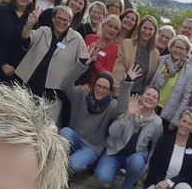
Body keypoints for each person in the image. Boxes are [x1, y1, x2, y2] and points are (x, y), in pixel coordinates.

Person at [59, 46, 140, 174]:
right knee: (64, 132)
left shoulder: (111, 105)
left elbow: (122, 109)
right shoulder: (81, 94)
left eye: (105, 88)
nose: (101, 89)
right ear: (93, 86)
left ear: (110, 91)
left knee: (73, 165)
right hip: (74, 138)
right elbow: (65, 85)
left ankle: (85, 162)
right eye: (98, 85)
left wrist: (127, 83)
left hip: (92, 147)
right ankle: (67, 157)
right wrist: (80, 64)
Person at [94, 86, 163, 189]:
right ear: (141, 96)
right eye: (148, 94)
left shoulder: (157, 122)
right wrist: (128, 115)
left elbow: (155, 147)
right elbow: (112, 132)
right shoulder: (129, 107)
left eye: (154, 97)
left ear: (157, 103)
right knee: (103, 179)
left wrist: (147, 167)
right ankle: (116, 170)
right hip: (115, 152)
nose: (150, 98)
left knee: (137, 163)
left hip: (135, 156)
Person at [15, 5, 85, 125]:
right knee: (19, 119)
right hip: (30, 84)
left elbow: (84, 60)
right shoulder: (43, 31)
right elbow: (26, 39)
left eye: (65, 20)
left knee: (45, 126)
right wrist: (29, 25)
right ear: (53, 18)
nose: (61, 22)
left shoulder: (76, 39)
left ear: (70, 22)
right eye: (58, 18)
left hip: (54, 92)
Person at [149, 35, 192, 132]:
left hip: (167, 114)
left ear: (186, 51)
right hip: (150, 105)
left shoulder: (189, 73)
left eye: (182, 49)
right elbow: (151, 82)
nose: (178, 51)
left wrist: (175, 121)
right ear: (171, 47)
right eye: (176, 47)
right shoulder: (161, 60)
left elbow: (185, 98)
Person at [112, 15, 160, 95]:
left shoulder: (155, 53)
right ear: (140, 28)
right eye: (145, 28)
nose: (147, 31)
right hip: (122, 90)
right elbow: (118, 70)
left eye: (150, 29)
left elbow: (149, 79)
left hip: (139, 96)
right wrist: (117, 92)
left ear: (154, 32)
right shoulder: (127, 44)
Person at [83, 15, 121, 85]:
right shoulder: (89, 38)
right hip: (78, 81)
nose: (112, 30)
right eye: (110, 26)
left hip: (95, 87)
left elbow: (107, 75)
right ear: (103, 25)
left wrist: (95, 61)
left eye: (115, 29)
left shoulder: (115, 49)